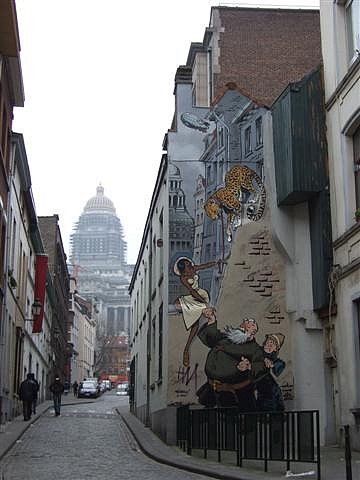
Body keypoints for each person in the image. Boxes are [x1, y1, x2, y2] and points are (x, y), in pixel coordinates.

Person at [196, 308, 266, 410]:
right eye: (244, 322)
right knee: (209, 421)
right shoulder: (227, 338)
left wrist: (249, 366)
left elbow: (260, 366)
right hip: (213, 389)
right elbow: (212, 339)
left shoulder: (255, 349)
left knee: (240, 420)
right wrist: (211, 320)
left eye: (249, 322)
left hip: (238, 393)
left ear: (253, 331)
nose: (244, 321)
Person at [173, 256, 224, 367]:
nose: (190, 265)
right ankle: (187, 349)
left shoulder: (193, 269)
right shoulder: (183, 278)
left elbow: (204, 266)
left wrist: (215, 262)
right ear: (183, 269)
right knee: (194, 320)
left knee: (197, 320)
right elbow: (191, 291)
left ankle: (187, 348)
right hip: (194, 297)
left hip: (201, 294)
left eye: (188, 263)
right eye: (187, 265)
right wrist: (203, 303)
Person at [256, 333, 286, 412]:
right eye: (269, 341)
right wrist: (263, 359)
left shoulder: (278, 362)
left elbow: (277, 374)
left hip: (271, 395)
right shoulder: (257, 351)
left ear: (276, 349)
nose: (270, 344)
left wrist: (271, 366)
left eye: (273, 343)